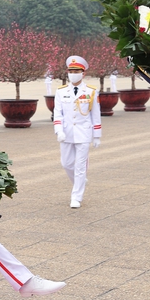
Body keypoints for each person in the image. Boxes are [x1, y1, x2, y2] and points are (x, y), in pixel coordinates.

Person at [53, 55, 101, 208]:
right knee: (66, 164)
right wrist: (58, 130)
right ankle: (79, 182)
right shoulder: (61, 92)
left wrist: (97, 135)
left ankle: (76, 197)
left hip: (83, 133)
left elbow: (96, 115)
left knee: (80, 167)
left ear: (83, 73)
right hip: (66, 133)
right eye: (71, 71)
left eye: (76, 71)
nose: (73, 74)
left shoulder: (91, 91)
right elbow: (58, 113)